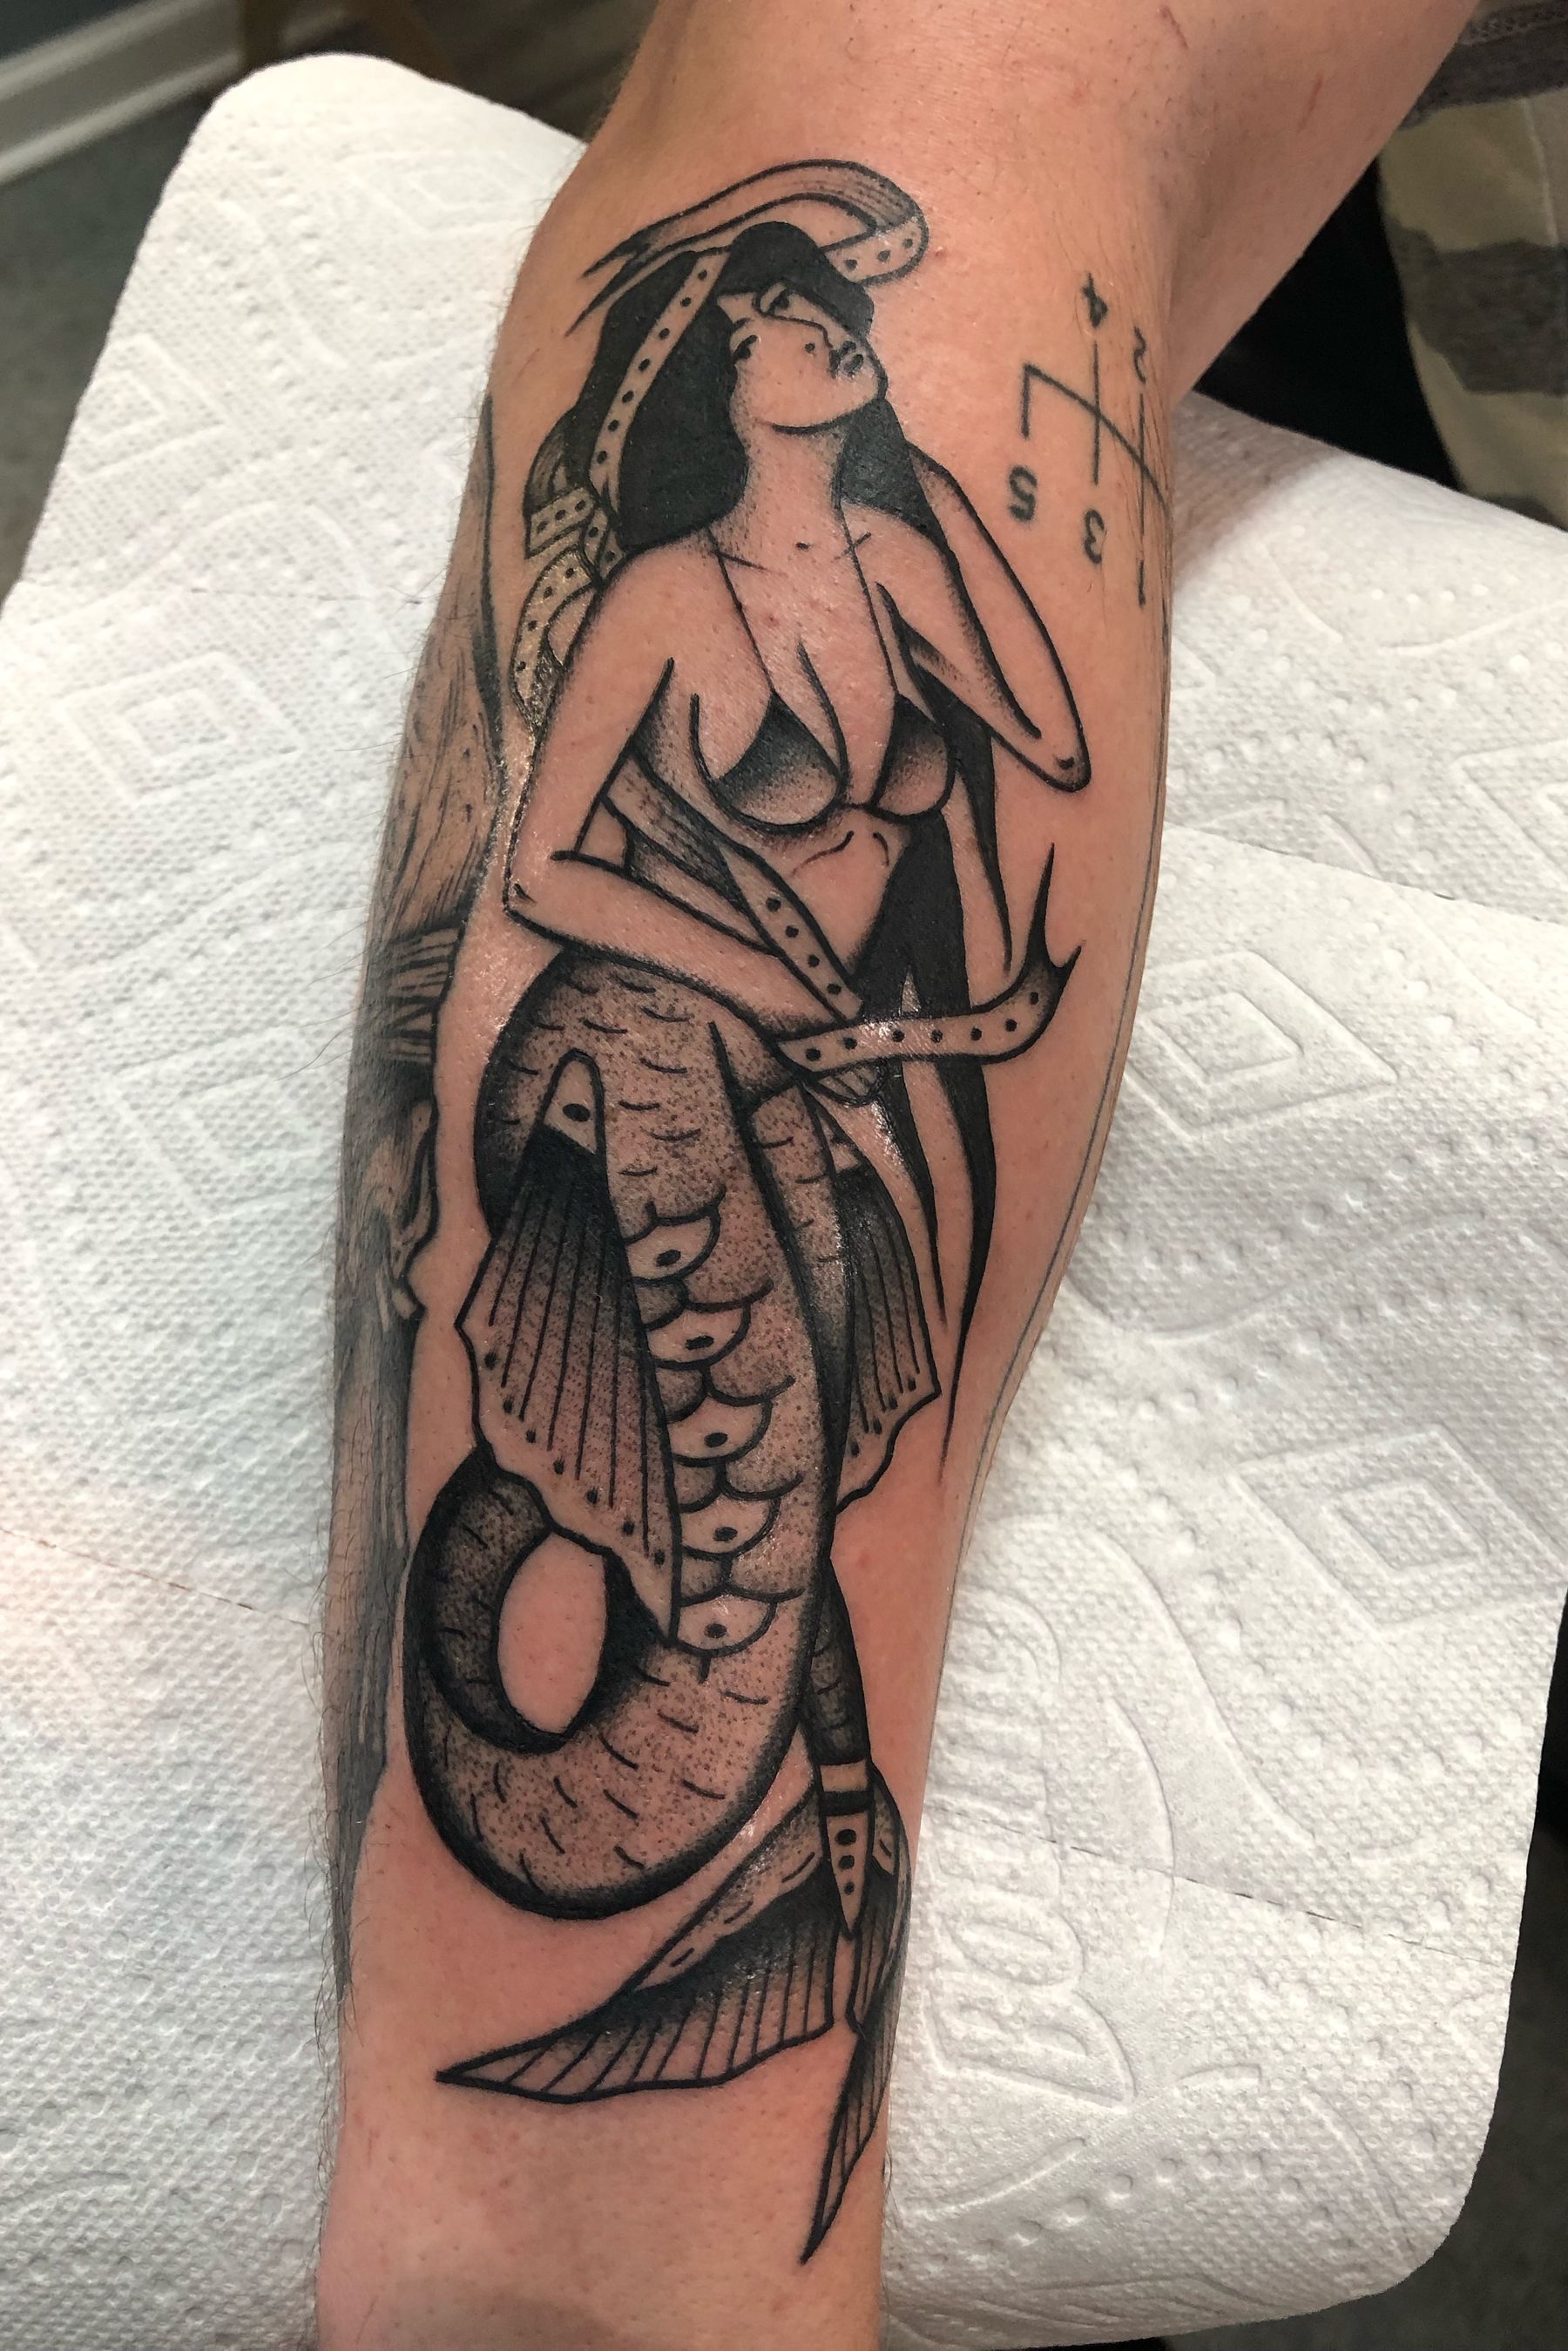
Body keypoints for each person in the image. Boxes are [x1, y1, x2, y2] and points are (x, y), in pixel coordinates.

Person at [318, 5, 1477, 2347]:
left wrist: (950, 506)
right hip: (639, 1054)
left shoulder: (886, 541)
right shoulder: (669, 602)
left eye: (830, 311)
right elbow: (549, 864)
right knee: (752, 1462)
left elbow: (1028, 725)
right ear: (713, 375)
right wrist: (562, 2285)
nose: (822, 320)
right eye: (772, 311)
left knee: (824, 1421)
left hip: (830, 1080)